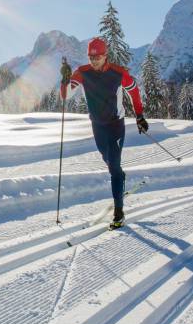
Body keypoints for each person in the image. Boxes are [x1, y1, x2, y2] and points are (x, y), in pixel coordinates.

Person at [60, 37, 148, 229]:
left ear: (105, 55)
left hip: (116, 124)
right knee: (109, 161)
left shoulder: (118, 73)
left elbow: (133, 92)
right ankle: (119, 176)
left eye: (97, 56)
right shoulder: (83, 73)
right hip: (97, 126)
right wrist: (65, 80)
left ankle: (119, 212)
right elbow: (66, 95)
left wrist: (140, 115)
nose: (94, 60)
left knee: (114, 166)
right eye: (91, 57)